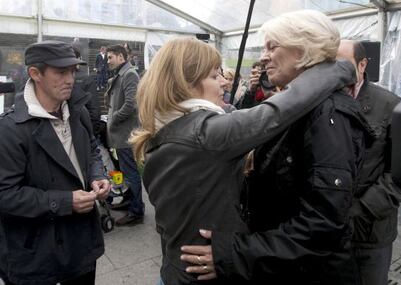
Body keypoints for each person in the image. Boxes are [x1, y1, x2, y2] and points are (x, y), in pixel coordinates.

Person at [129, 35, 358, 284]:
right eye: (214, 76)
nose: (224, 84)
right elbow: (279, 110)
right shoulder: (207, 134)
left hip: (174, 269)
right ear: (187, 83)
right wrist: (342, 67)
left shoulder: (166, 130)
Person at [180, 10, 371, 285]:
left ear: (305, 49)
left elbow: (322, 224)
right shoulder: (301, 108)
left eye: (272, 46)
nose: (264, 56)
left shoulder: (328, 114)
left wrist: (235, 254)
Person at [0, 40, 110, 285]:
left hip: (80, 246)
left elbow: (91, 149)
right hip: (35, 254)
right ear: (35, 73)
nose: (70, 79)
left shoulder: (77, 110)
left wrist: (97, 175)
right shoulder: (10, 129)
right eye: (61, 72)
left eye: (73, 71)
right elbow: (5, 195)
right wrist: (64, 202)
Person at [337, 39, 401, 285]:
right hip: (327, 234)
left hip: (370, 235)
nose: (334, 71)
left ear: (362, 65)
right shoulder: (323, 102)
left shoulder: (390, 105)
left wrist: (359, 212)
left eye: (341, 64)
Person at [106, 44, 144, 226]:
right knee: (127, 172)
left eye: (110, 57)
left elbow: (131, 104)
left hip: (126, 135)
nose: (108, 61)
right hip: (122, 134)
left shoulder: (129, 74)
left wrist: (113, 118)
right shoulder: (123, 74)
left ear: (121, 56)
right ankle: (129, 202)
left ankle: (136, 211)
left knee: (131, 174)